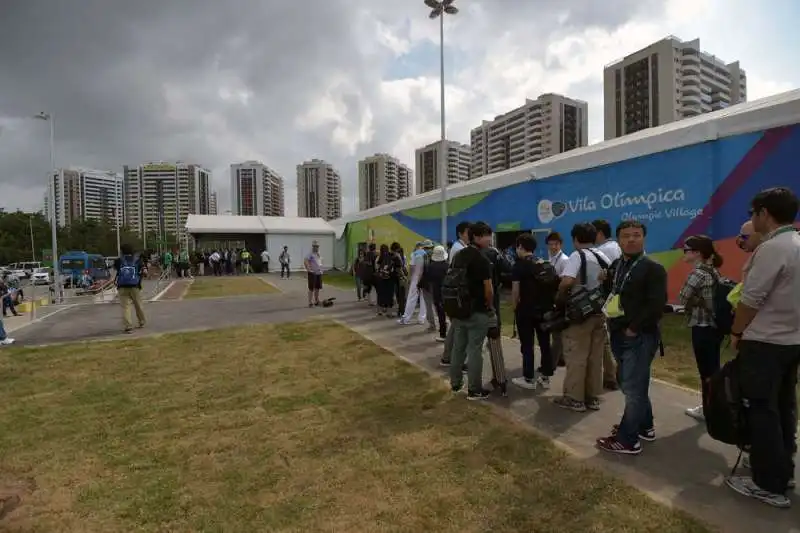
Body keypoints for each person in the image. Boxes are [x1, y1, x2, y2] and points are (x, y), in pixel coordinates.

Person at [726, 187, 799, 508]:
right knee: (783, 407)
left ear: (764, 214)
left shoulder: (772, 248)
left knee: (761, 410)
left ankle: (768, 483)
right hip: (792, 341)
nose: (750, 219)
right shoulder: (796, 244)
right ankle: (784, 470)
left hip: (765, 342)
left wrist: (736, 332)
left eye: (752, 213)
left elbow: (750, 299)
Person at [596, 220, 667, 455]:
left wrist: (634, 328)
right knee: (633, 384)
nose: (631, 239)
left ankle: (628, 440)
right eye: (625, 236)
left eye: (636, 235)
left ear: (644, 238)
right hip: (617, 331)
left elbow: (656, 305)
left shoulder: (652, 268)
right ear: (618, 240)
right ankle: (645, 427)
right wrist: (604, 281)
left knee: (633, 388)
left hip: (639, 335)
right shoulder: (618, 264)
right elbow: (615, 293)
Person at [552, 223, 611, 412]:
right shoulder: (603, 257)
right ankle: (592, 397)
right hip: (599, 311)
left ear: (575, 239)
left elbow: (568, 280)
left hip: (579, 315)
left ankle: (574, 398)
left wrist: (560, 293)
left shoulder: (578, 256)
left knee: (576, 355)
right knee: (595, 357)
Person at [678, 235, 725, 421]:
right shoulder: (713, 271)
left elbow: (683, 298)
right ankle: (713, 406)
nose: (684, 253)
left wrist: (693, 303)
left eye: (686, 250)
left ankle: (708, 409)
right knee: (713, 369)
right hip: (715, 327)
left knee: (706, 371)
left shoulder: (697, 274)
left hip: (702, 326)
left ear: (697, 253)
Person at [448, 222, 495, 400]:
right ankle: (474, 389)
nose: (489, 239)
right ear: (476, 237)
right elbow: (488, 289)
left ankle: (455, 383)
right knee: (475, 350)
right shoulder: (482, 260)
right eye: (486, 236)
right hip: (477, 311)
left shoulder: (458, 256)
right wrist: (489, 306)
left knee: (458, 348)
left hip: (459, 309)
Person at [511, 233, 558, 390]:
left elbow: (515, 291)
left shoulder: (519, 265)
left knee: (527, 344)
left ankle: (529, 378)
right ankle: (545, 377)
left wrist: (514, 306)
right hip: (544, 310)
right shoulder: (542, 263)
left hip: (525, 311)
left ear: (520, 247)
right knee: (545, 343)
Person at [594, 219, 623, 391]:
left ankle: (612, 376)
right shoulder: (617, 247)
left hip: (609, 298)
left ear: (599, 233)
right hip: (620, 298)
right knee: (616, 337)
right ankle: (617, 375)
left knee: (607, 337)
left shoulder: (602, 250)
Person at [440, 221, 472, 366]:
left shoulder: (461, 247)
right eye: (468, 232)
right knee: (460, 328)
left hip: (457, 293)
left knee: (456, 327)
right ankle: (455, 359)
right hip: (459, 293)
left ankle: (447, 357)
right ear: (460, 234)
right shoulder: (459, 249)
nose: (470, 235)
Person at [545, 231, 569, 369]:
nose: (553, 247)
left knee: (557, 334)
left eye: (556, 244)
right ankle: (561, 358)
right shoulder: (551, 258)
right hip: (551, 298)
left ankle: (551, 364)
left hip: (559, 300)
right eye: (551, 244)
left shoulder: (564, 260)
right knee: (557, 332)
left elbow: (564, 282)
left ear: (561, 244)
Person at [115, 243, 147, 334]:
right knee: (138, 305)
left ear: (122, 251)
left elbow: (117, 271)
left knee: (125, 307)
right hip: (135, 286)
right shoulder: (137, 260)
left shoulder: (119, 261)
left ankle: (128, 326)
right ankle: (142, 322)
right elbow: (144, 272)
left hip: (122, 287)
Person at [424, 245, 449, 342]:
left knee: (440, 313)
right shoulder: (447, 265)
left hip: (437, 292)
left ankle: (443, 334)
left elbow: (428, 279)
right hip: (448, 292)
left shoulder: (431, 266)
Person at [375, 244, 395, 316]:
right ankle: (389, 312)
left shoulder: (379, 258)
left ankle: (379, 310)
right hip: (389, 278)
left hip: (380, 278)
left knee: (380, 294)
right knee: (389, 295)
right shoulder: (391, 257)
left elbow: (376, 268)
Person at [304, 241, 323, 307]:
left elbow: (319, 262)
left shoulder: (318, 254)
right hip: (313, 273)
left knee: (317, 287)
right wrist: (309, 269)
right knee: (311, 288)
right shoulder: (310, 254)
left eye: (317, 246)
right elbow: (306, 261)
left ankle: (316, 300)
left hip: (319, 273)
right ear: (313, 247)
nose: (316, 248)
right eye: (315, 246)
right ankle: (310, 302)